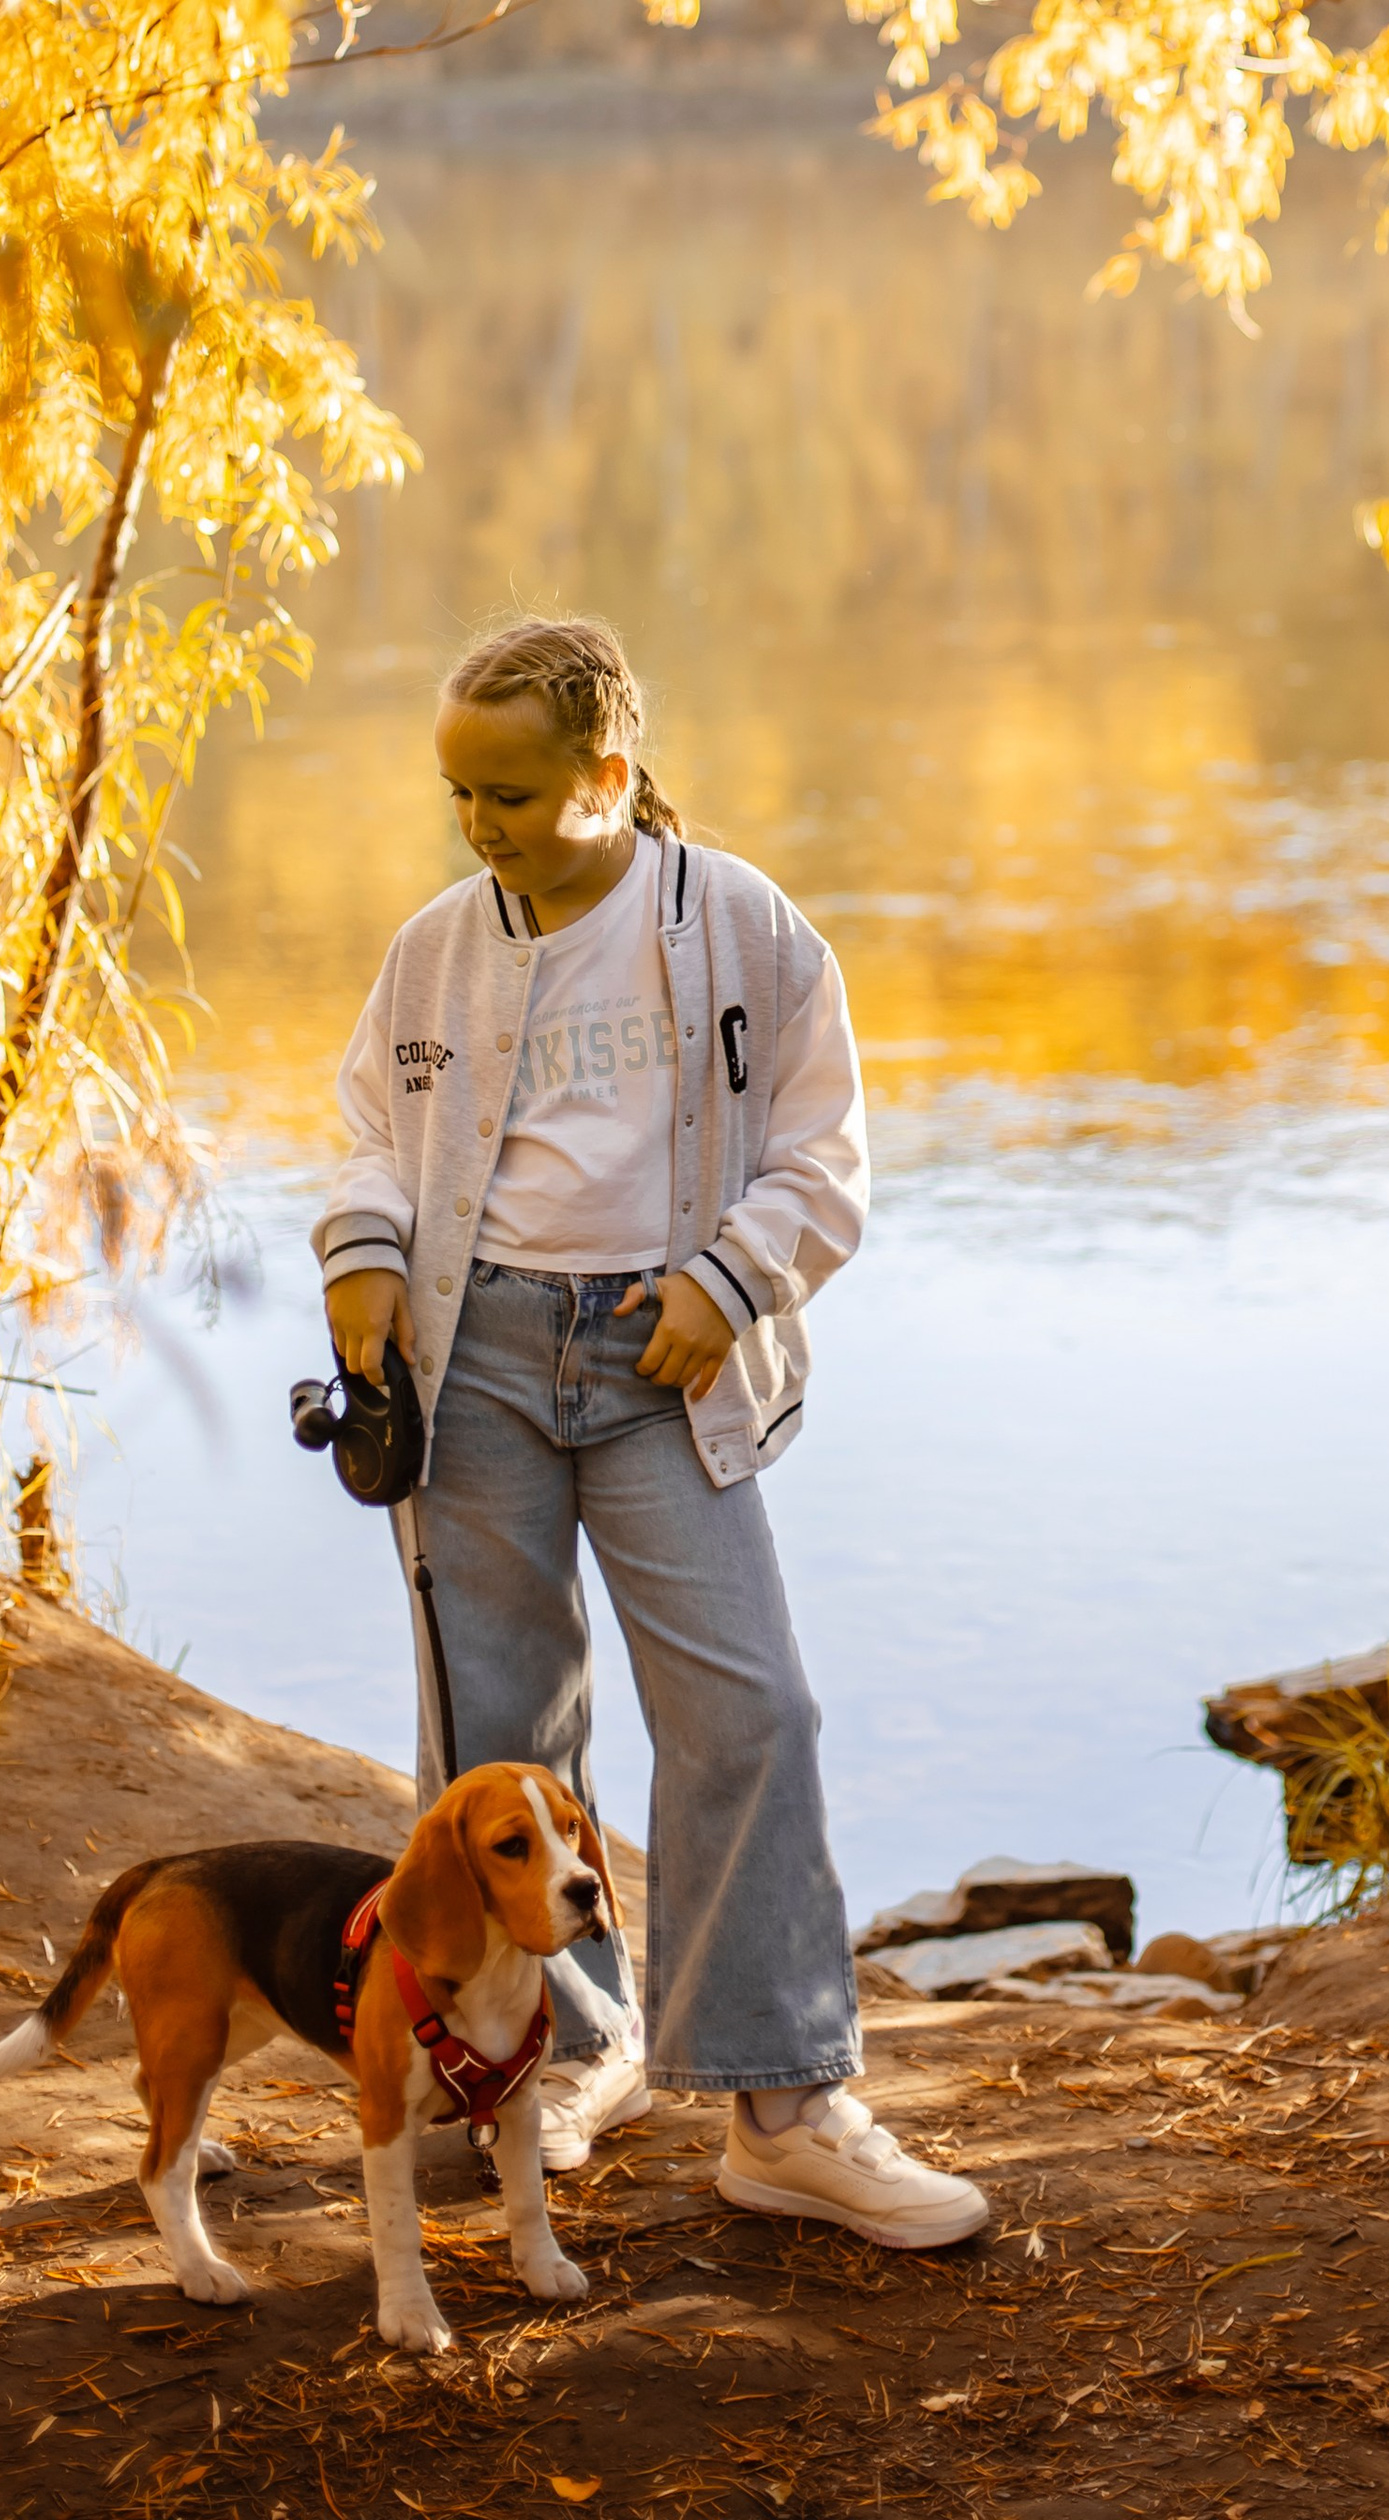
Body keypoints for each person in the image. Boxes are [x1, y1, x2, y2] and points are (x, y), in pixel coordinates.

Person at [312, 612, 984, 2249]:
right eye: (460, 795)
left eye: (513, 795)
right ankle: (553, 2056)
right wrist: (362, 1253)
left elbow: (824, 1156)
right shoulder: (434, 949)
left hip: (664, 1361)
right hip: (473, 1361)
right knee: (499, 1738)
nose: (479, 827)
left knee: (751, 1712)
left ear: (609, 776)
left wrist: (729, 1282)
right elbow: (367, 1129)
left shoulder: (745, 929)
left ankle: (784, 2110)